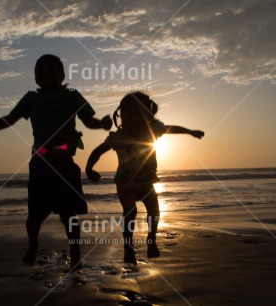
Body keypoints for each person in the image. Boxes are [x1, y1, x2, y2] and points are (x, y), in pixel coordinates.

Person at [0, 54, 112, 269]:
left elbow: (88, 120)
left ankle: (75, 251)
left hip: (64, 163)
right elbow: (9, 119)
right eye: (39, 71)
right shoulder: (31, 98)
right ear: (35, 78)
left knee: (68, 215)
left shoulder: (70, 94)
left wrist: (102, 124)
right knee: (34, 217)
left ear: (62, 75)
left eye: (50, 69)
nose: (44, 73)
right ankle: (33, 243)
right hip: (40, 165)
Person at [85, 92, 204, 265]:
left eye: (140, 113)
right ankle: (128, 246)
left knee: (154, 210)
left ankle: (151, 239)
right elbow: (98, 151)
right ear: (122, 115)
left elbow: (171, 128)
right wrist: (89, 168)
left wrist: (189, 131)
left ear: (148, 115)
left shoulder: (152, 130)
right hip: (125, 182)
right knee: (130, 211)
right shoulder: (119, 136)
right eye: (130, 113)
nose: (135, 118)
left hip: (146, 181)